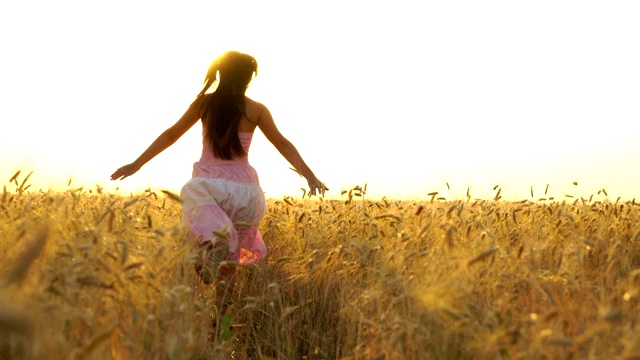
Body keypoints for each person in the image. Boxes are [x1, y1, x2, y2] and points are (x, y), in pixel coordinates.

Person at [111, 50, 327, 333]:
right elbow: (283, 144)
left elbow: (170, 134)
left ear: (221, 74)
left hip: (209, 188)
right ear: (249, 78)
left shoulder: (205, 104)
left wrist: (137, 163)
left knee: (209, 233)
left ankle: (208, 255)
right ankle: (220, 326)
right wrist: (310, 176)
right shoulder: (256, 109)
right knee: (229, 264)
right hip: (246, 194)